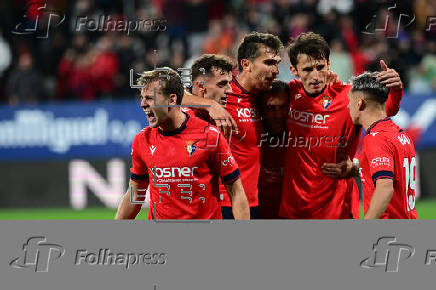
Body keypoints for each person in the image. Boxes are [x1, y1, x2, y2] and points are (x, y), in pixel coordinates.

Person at [280, 32, 404, 219]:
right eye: (307, 70)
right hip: (293, 209)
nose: (315, 76)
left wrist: (396, 90)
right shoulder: (287, 95)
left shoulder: (349, 96)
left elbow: (386, 110)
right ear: (294, 70)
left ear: (329, 65)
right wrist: (216, 105)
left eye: (320, 67)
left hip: (337, 209)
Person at [115, 68, 249, 220]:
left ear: (172, 99)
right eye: (142, 98)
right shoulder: (142, 140)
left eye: (150, 98)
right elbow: (135, 194)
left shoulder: (210, 136)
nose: (143, 104)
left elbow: (236, 192)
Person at [184, 32, 283, 219]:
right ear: (246, 64)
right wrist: (209, 104)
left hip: (252, 203)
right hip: (221, 204)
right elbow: (162, 96)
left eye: (277, 63)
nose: (276, 70)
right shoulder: (221, 92)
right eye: (269, 63)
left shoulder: (265, 97)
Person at [347, 72, 417, 219]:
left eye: (350, 101)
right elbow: (394, 172)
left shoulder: (376, 139)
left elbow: (385, 188)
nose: (348, 106)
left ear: (360, 103)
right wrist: (358, 168)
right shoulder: (401, 135)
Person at [258, 80, 290, 219]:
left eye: (283, 108)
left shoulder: (303, 135)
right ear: (261, 109)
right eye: (271, 108)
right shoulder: (247, 138)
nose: (278, 115)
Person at [183, 54, 235, 123]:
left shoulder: (229, 110)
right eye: (222, 84)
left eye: (230, 83)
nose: (230, 90)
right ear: (201, 86)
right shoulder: (182, 119)